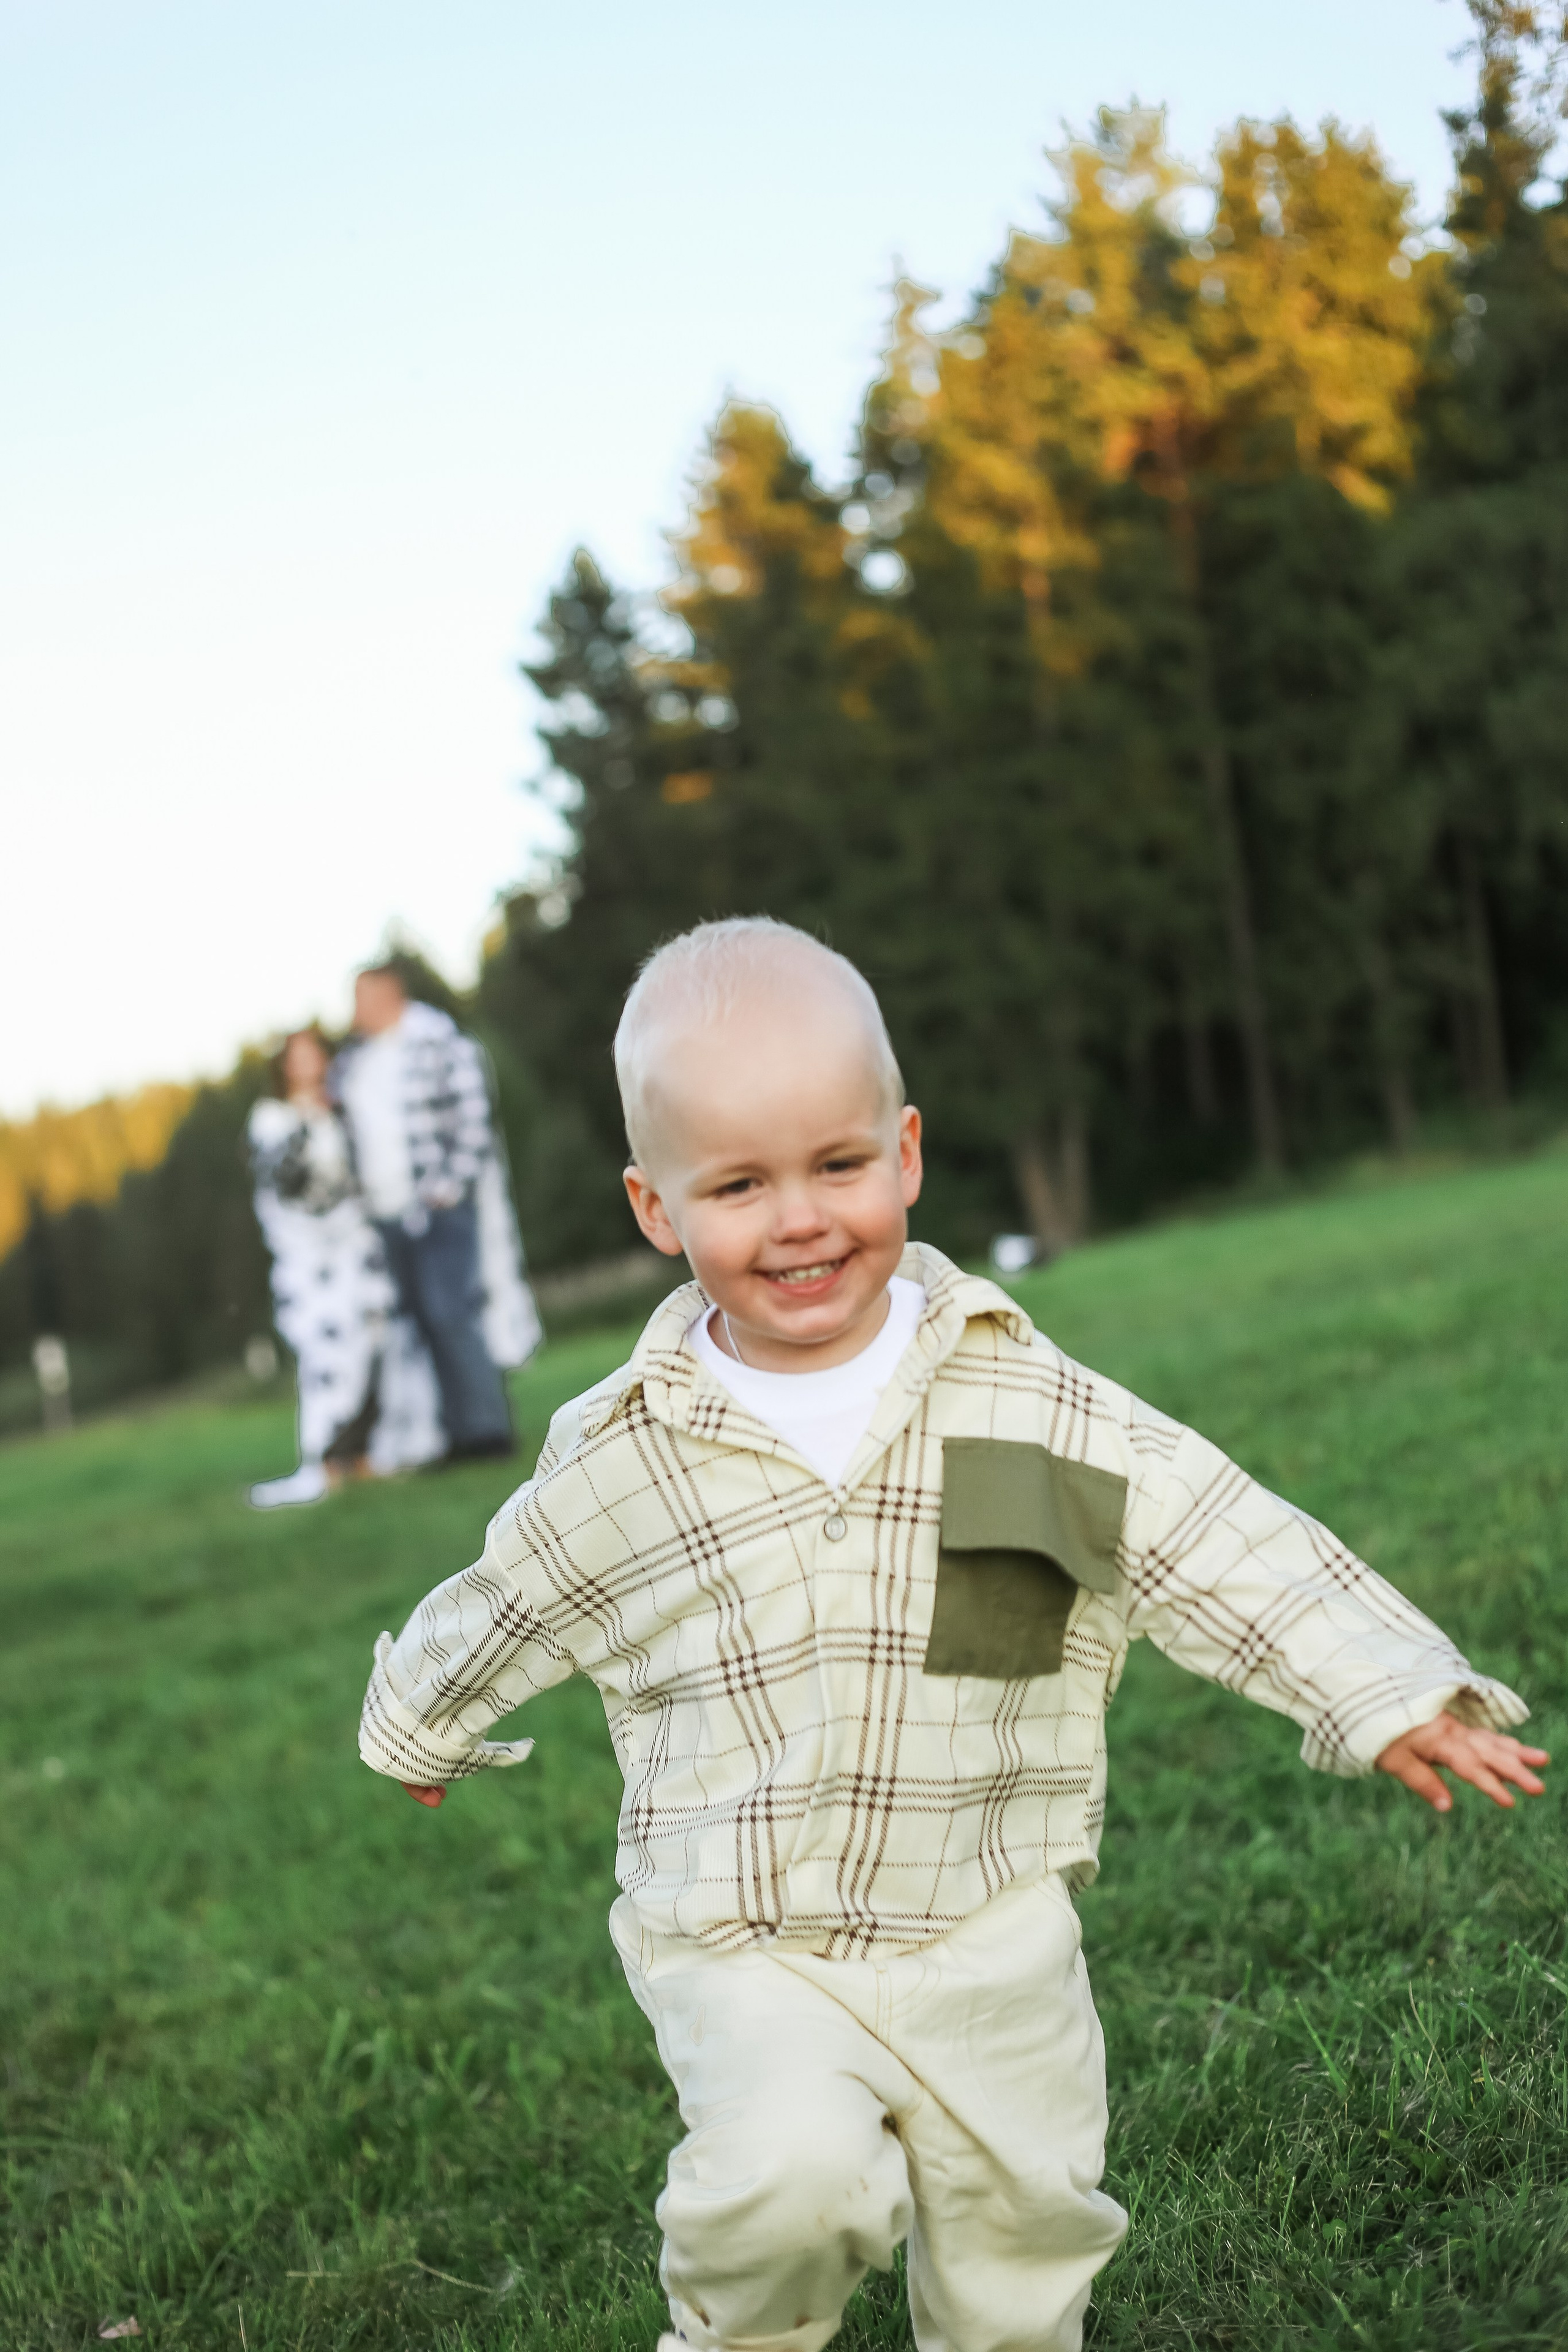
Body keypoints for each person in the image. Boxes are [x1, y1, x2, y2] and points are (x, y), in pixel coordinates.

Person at [357, 918, 1548, 2352]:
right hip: (748, 1933)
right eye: (737, 1184)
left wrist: (1384, 1689)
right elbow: (511, 1592)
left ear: (904, 1153)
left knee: (1023, 2238)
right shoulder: (628, 1453)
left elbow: (1204, 1534)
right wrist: (418, 1720)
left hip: (991, 1909)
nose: (797, 1217)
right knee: (784, 2186)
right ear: (655, 1207)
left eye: (836, 1165)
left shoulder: (1009, 1398)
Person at [332, 965, 539, 1464]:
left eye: (362, 998)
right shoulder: (355, 1062)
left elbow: (473, 1120)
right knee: (422, 1323)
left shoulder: (440, 1044)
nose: (355, 1010)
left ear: (390, 995)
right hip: (386, 1214)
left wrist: (449, 1186)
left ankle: (488, 1432)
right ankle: (452, 1433)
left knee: (453, 1312)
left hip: (436, 1207)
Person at [246, 1028, 443, 1508]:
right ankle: (329, 1458)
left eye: (315, 1054)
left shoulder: (345, 1112)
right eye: (300, 1056)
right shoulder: (272, 1119)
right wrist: (310, 1125)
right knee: (328, 1357)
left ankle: (366, 1452)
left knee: (375, 1345)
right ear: (285, 1065)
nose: (309, 1064)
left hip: (356, 1248)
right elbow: (279, 1183)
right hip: (310, 1260)